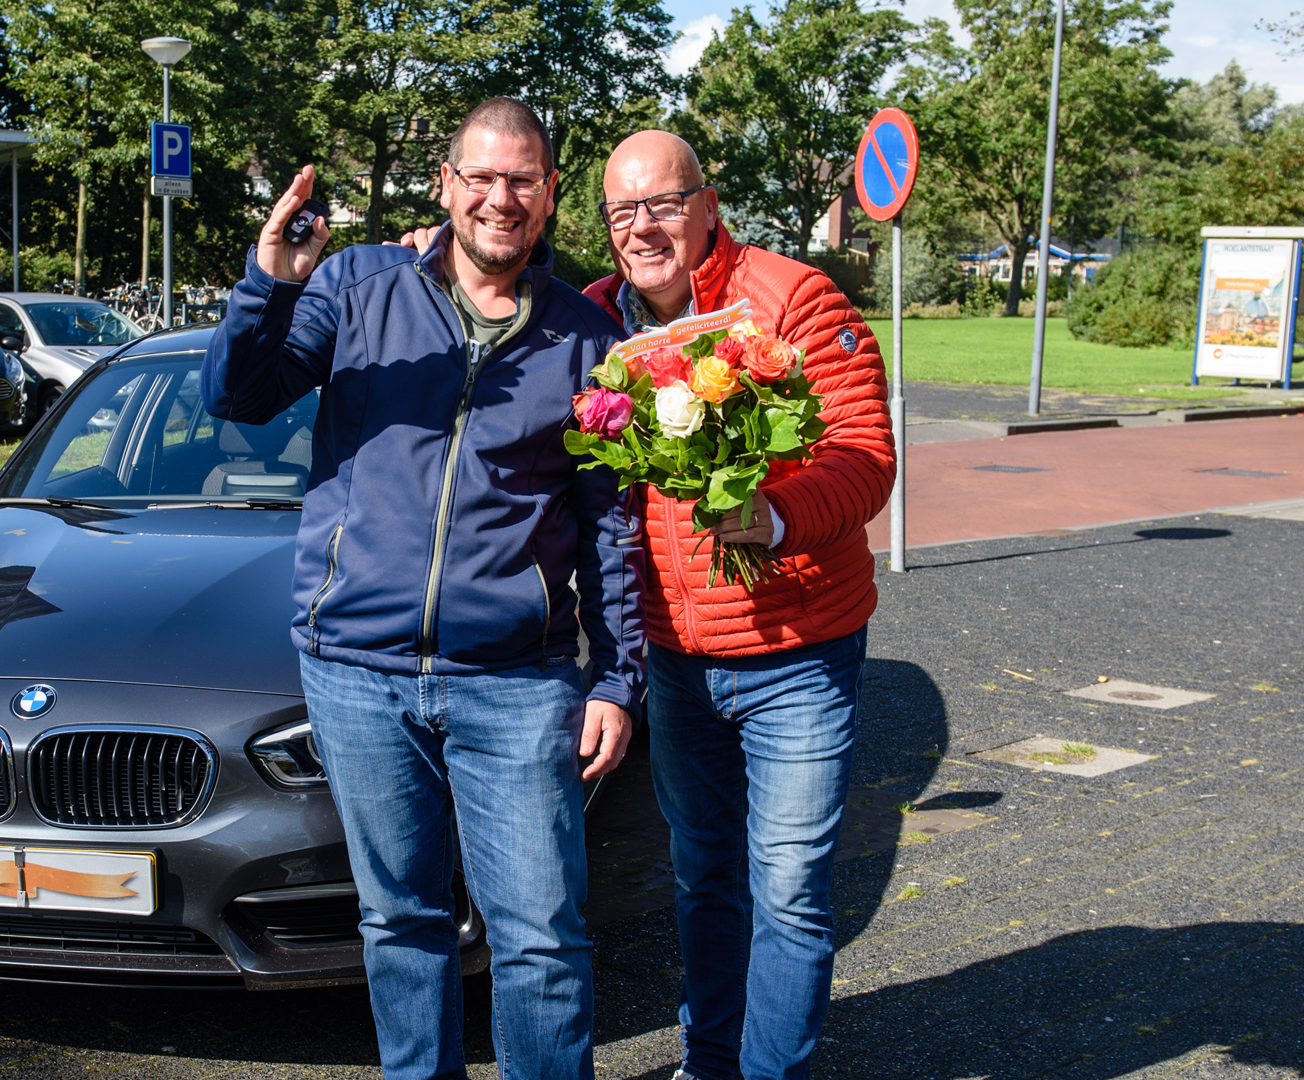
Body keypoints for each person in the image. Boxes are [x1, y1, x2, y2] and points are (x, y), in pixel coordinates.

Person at [202, 98, 645, 1080]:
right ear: (446, 184)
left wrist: (617, 680)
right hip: (357, 671)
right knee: (402, 924)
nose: (499, 198)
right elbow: (238, 397)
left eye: (521, 179)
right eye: (480, 177)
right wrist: (270, 281)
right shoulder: (360, 285)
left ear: (550, 195)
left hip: (517, 681)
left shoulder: (588, 340)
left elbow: (610, 522)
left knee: (540, 935)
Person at [584, 130, 895, 1080]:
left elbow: (865, 456)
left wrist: (776, 514)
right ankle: (709, 1062)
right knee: (703, 879)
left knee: (791, 889)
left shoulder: (792, 298)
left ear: (708, 206)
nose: (644, 227)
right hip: (678, 658)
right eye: (622, 211)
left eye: (665, 204)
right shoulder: (600, 323)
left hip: (799, 652)